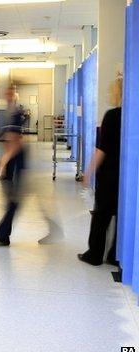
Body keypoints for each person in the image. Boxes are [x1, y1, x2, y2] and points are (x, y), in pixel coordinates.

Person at [78, 75, 124, 266]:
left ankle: (95, 254)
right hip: (126, 176)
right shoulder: (132, 116)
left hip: (109, 175)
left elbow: (101, 150)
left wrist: (88, 173)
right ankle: (116, 255)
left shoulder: (112, 116)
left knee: (101, 215)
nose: (108, 93)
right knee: (122, 214)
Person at [0, 86, 27, 247]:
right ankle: (2, 235)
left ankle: (1, 236)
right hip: (14, 161)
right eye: (6, 92)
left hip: (16, 160)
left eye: (11, 93)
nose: (7, 95)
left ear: (15, 94)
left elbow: (14, 144)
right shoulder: (10, 112)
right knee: (13, 200)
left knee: (13, 201)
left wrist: (2, 163)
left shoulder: (15, 113)